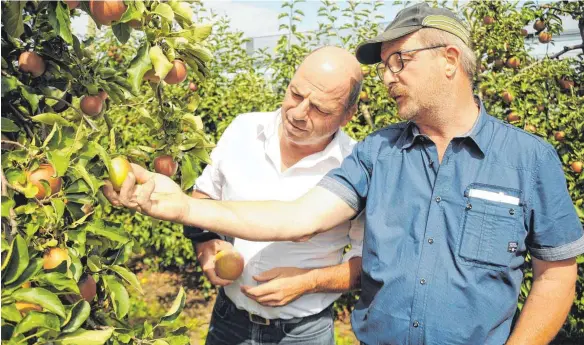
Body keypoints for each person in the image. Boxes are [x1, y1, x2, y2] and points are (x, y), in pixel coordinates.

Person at [103, 3, 584, 345]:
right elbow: (299, 217)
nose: (388, 76)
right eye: (385, 66)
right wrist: (185, 206)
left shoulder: (530, 159)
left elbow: (555, 277)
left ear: (450, 60)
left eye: (400, 60)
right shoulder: (380, 153)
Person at [179, 46, 366, 345]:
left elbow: (367, 263)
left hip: (302, 333)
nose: (298, 113)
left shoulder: (356, 164)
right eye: (295, 93)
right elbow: (204, 194)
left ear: (347, 115)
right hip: (230, 321)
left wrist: (309, 282)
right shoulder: (243, 129)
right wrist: (206, 244)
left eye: (320, 109)